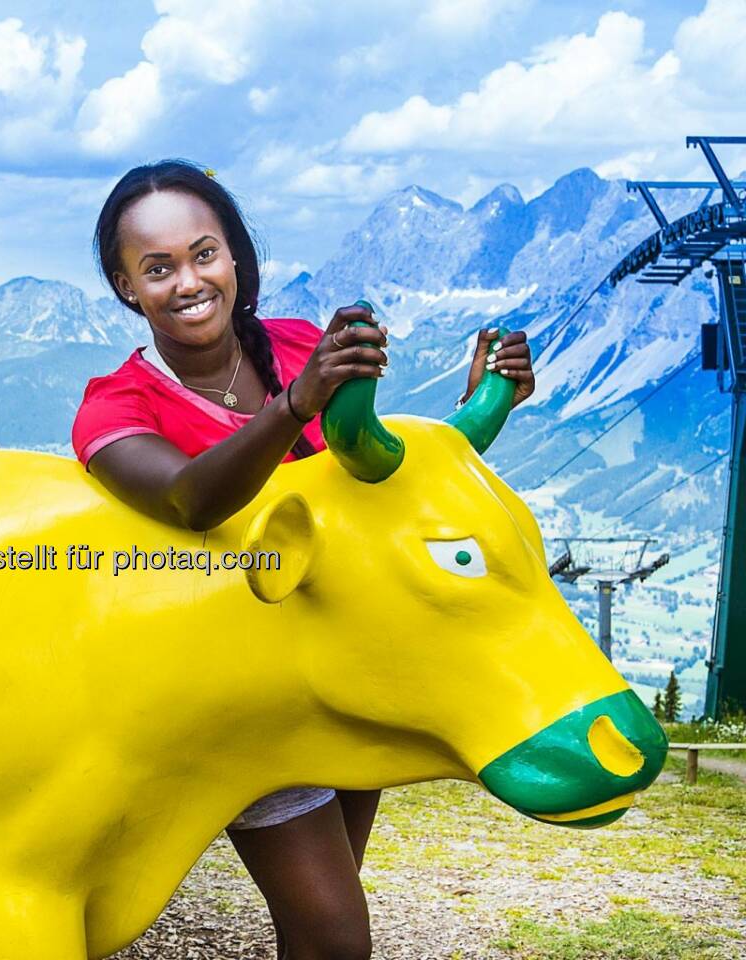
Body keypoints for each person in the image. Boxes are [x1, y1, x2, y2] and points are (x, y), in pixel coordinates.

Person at [70, 159, 536, 960]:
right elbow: (189, 499)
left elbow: (370, 488)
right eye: (158, 267)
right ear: (126, 287)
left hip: (346, 674)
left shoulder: (295, 345)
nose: (189, 281)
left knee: (321, 924)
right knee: (335, 934)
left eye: (204, 254)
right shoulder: (114, 406)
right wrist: (294, 405)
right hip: (242, 699)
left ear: (236, 256)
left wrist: (480, 407)